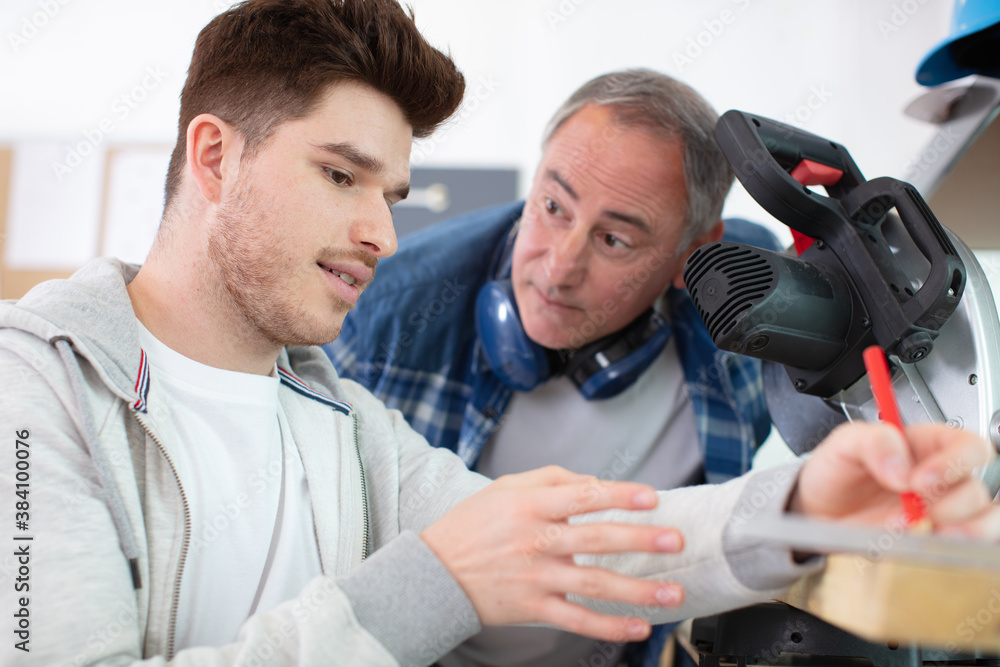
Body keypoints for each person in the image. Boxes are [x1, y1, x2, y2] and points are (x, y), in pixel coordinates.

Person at [1, 2, 997, 667]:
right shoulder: (32, 391)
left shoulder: (338, 419)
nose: (382, 232)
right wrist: (429, 583)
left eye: (389, 193)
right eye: (341, 177)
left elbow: (576, 542)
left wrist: (807, 501)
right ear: (214, 156)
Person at [323, 69, 779, 664]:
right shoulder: (386, 315)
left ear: (690, 257)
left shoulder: (745, 333)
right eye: (553, 207)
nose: (559, 267)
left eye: (614, 240)